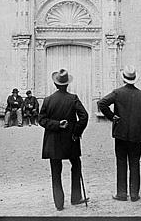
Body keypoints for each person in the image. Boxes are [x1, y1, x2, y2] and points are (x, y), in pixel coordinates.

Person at [97, 65, 141, 203]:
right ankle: (134, 194)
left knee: (121, 161)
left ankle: (122, 193)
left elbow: (102, 103)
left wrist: (112, 117)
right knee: (135, 162)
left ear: (124, 79)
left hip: (121, 133)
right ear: (134, 79)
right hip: (137, 135)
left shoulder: (117, 93)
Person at [39, 68, 89, 211]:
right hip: (71, 140)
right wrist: (76, 132)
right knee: (76, 165)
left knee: (56, 171)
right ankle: (76, 197)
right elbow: (84, 116)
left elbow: (41, 120)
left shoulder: (48, 100)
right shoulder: (73, 98)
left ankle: (59, 204)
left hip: (53, 141)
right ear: (67, 85)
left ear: (55, 84)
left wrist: (56, 124)